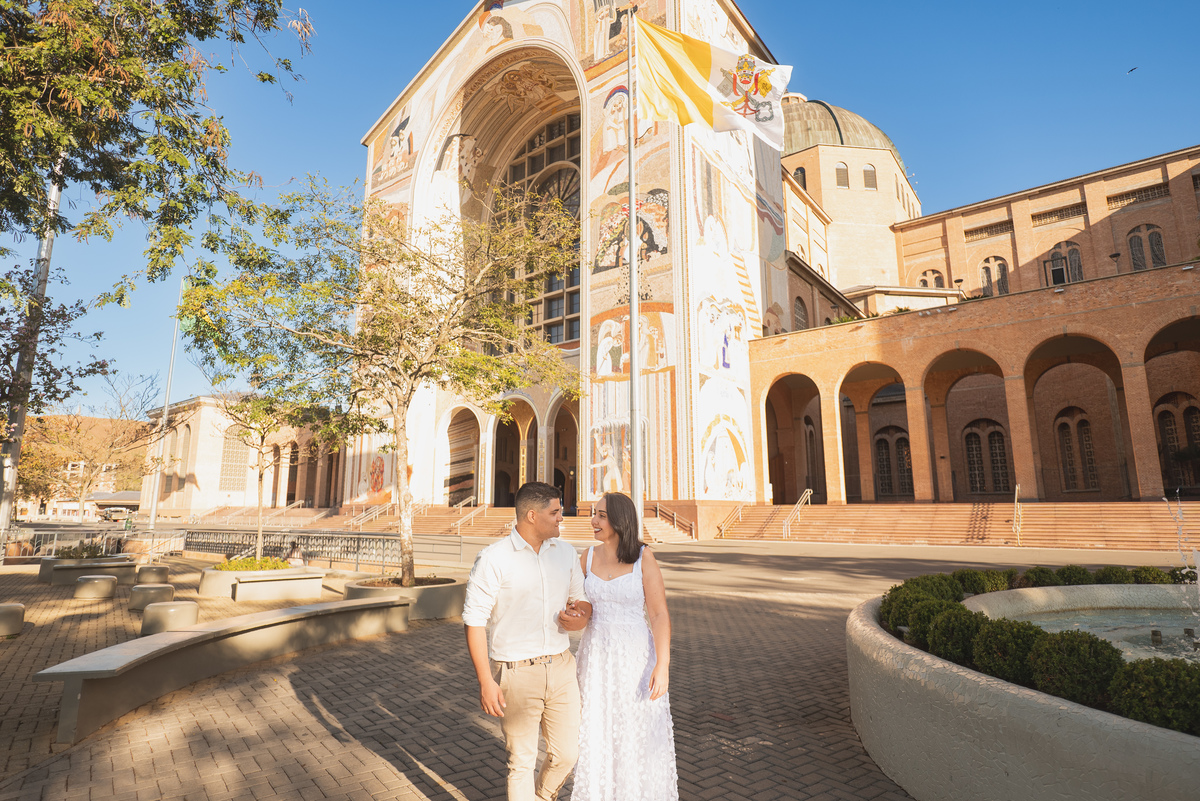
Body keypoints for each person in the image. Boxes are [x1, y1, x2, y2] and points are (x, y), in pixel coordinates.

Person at [464, 482, 593, 801]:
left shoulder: (565, 553)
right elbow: (475, 621)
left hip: (563, 668)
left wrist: (580, 616)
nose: (562, 518)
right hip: (517, 673)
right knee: (521, 762)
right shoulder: (493, 559)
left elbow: (583, 599)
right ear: (532, 515)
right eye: (556, 512)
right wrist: (485, 681)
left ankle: (542, 796)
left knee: (567, 754)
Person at [572, 492, 678, 801]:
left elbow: (658, 614)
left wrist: (663, 664)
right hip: (595, 661)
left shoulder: (643, 557)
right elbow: (576, 604)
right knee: (597, 732)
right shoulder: (586, 558)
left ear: (620, 520)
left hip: (635, 661)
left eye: (601, 515)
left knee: (634, 733)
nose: (593, 520)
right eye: (594, 514)